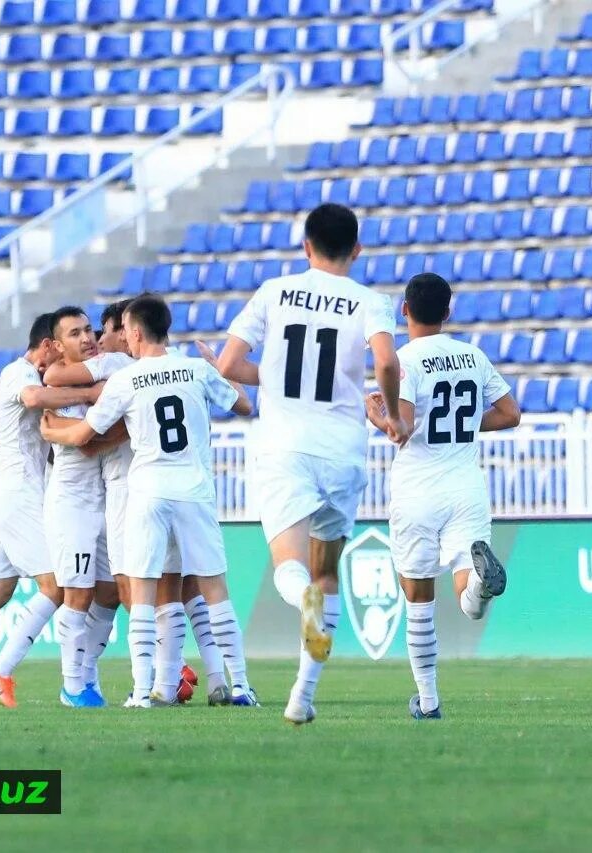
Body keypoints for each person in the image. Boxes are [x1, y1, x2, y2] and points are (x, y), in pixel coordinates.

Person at [213, 203, 406, 725]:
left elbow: (229, 365)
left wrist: (271, 378)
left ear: (305, 247)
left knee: (291, 569)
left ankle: (302, 605)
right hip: (342, 451)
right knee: (326, 573)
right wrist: (392, 412)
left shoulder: (274, 292)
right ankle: (302, 698)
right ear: (358, 250)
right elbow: (387, 361)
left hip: (284, 447)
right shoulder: (371, 301)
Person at [41, 296, 255, 709]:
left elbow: (86, 436)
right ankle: (242, 686)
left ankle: (143, 692)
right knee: (214, 590)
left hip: (148, 491)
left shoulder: (127, 379)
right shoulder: (193, 370)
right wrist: (217, 369)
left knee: (142, 591)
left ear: (135, 332)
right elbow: (244, 405)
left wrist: (54, 433)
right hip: (193, 490)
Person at [365, 273, 520, 719]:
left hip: (417, 488)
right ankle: (479, 588)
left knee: (417, 599)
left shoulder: (404, 360)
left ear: (405, 312)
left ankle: (429, 701)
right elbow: (510, 414)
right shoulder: (472, 356)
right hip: (465, 484)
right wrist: (468, 425)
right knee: (466, 595)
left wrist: (376, 414)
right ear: (448, 312)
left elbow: (402, 429)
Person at [0, 312, 99, 708]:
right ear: (47, 345)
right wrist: (88, 396)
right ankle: (0, 671)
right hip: (18, 490)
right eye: (65, 340)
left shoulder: (26, 374)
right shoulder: (19, 372)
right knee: (58, 586)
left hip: (1, 491)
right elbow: (34, 398)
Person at [0, 307, 122, 709]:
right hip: (71, 503)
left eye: (89, 330)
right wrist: (94, 418)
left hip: (105, 501)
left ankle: (85, 676)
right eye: (75, 333)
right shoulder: (55, 387)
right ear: (57, 346)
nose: (87, 338)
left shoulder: (107, 375)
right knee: (70, 592)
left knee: (110, 593)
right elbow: (74, 438)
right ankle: (73, 686)